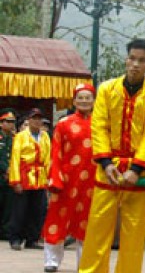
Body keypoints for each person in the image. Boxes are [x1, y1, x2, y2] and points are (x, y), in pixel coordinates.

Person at [79, 38, 145, 273]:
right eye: (132, 58)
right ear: (126, 59)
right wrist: (106, 163)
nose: (135, 64)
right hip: (107, 169)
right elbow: (99, 126)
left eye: (142, 60)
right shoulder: (107, 89)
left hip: (139, 173)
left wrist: (136, 169)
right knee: (98, 228)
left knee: (134, 234)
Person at [42, 83, 97, 272]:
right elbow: (55, 152)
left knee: (87, 221)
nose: (84, 101)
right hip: (66, 179)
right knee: (57, 218)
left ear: (93, 100)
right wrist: (55, 178)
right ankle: (52, 261)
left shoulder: (100, 123)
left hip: (91, 181)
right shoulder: (64, 124)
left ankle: (85, 263)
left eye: (87, 97)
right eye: (80, 98)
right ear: (74, 101)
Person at [8, 107, 51, 250]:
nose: (37, 121)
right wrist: (16, 181)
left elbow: (48, 158)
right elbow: (15, 158)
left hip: (40, 176)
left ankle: (32, 239)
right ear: (28, 120)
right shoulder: (20, 136)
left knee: (38, 209)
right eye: (34, 118)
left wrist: (50, 178)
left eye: (39, 119)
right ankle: (15, 238)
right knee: (20, 209)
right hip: (25, 174)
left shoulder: (45, 136)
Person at [0, 108, 16, 240]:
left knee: (9, 205)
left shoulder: (15, 138)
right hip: (1, 175)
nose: (11, 124)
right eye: (8, 121)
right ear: (1, 123)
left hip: (10, 177)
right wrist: (5, 169)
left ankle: (5, 231)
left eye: (13, 121)